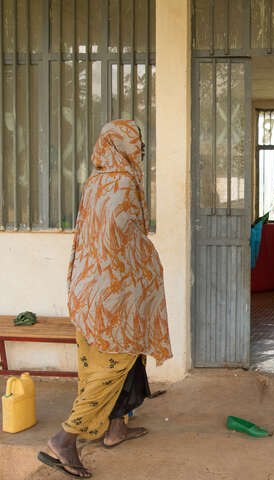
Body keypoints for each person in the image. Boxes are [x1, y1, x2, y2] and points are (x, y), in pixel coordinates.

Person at [37, 120, 173, 478]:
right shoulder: (126, 182)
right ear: (118, 145)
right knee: (112, 368)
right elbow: (125, 240)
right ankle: (64, 440)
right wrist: (149, 265)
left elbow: (92, 236)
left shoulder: (95, 181)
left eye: (142, 140)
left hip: (87, 289)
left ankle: (116, 429)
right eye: (135, 141)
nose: (141, 147)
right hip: (112, 295)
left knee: (106, 364)